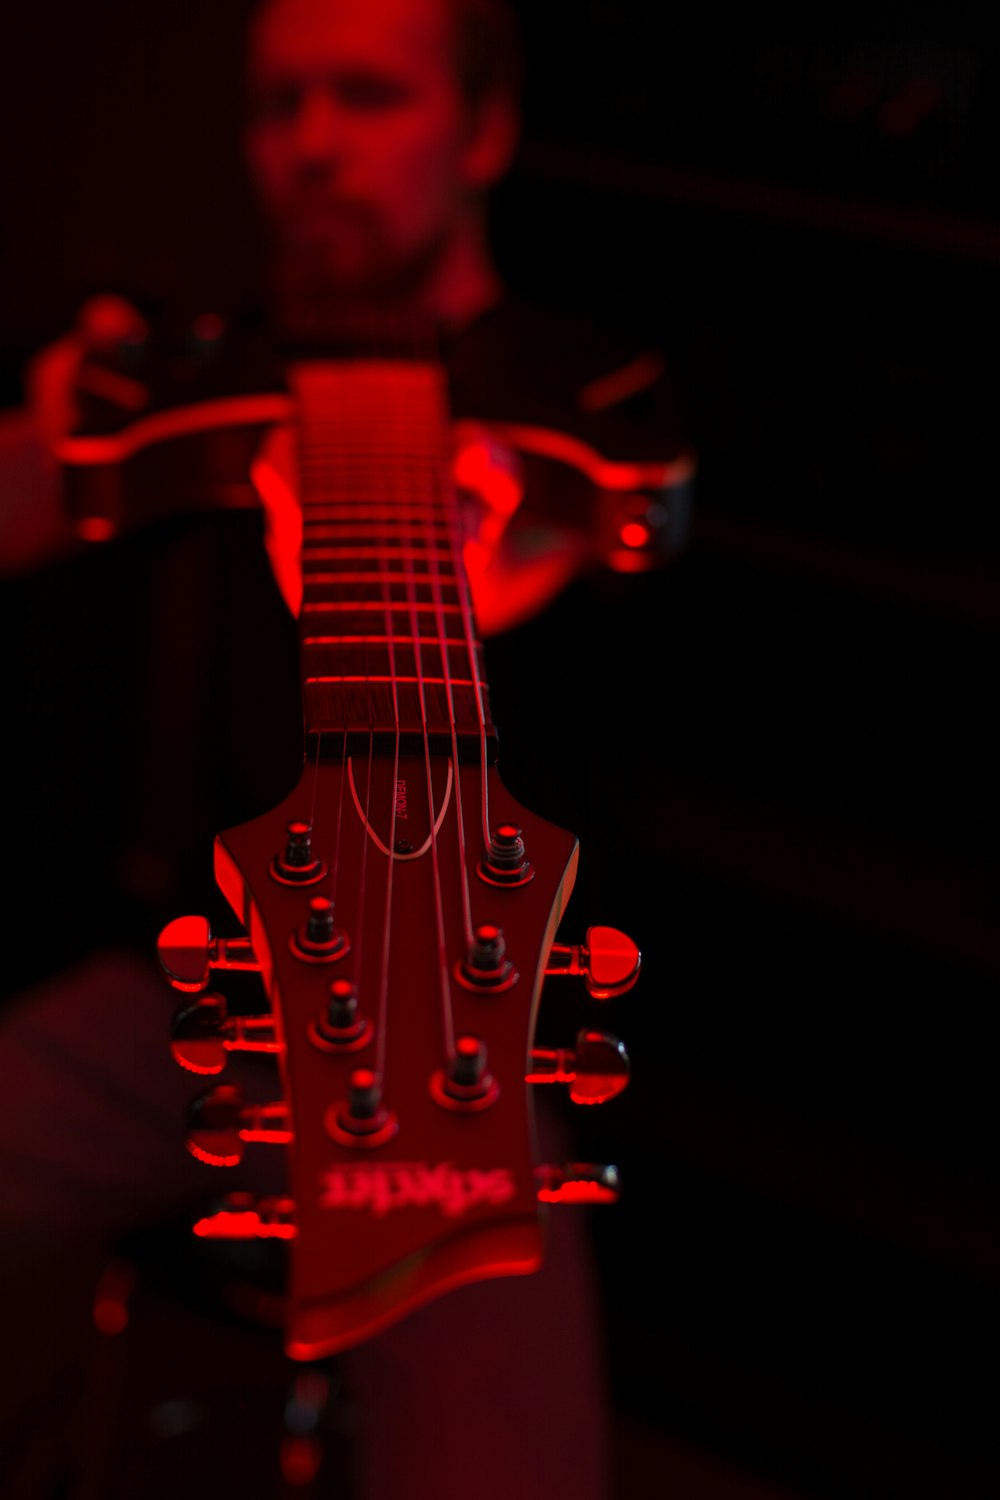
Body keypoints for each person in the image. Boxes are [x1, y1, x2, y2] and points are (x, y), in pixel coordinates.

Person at [0, 1, 691, 1494]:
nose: (314, 145)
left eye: (367, 96)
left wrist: (484, 566)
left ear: (485, 130)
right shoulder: (185, 362)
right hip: (171, 1004)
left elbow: (589, 525)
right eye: (280, 104)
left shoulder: (576, 393)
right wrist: (41, 446)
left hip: (445, 1032)